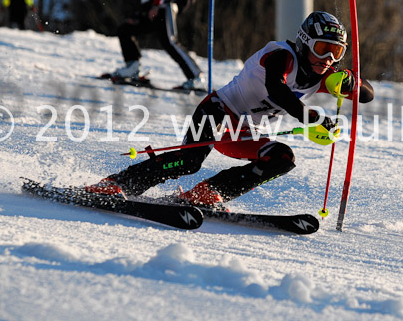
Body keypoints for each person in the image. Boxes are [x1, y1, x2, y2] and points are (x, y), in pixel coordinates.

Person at [87, 11, 374, 208]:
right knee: (189, 161)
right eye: (323, 48)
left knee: (283, 158)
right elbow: (277, 89)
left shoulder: (325, 78)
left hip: (243, 133)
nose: (327, 59)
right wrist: (311, 117)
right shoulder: (280, 55)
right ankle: (117, 183)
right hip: (217, 111)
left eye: (336, 52)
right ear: (305, 42)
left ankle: (209, 192)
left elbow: (368, 95)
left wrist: (351, 81)